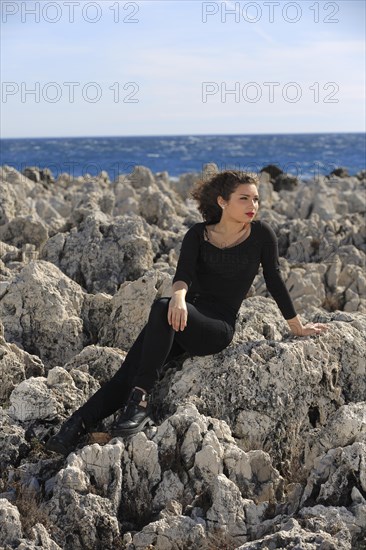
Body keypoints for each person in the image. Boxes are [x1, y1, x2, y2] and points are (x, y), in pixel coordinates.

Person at [46, 170, 328, 455]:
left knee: (161, 309)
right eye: (244, 199)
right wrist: (178, 299)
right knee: (128, 372)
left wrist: (297, 326)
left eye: (255, 199)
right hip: (180, 315)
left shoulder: (262, 235)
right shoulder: (198, 234)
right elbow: (182, 276)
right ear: (222, 201)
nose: (252, 206)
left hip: (216, 326)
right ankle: (76, 425)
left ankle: (140, 403)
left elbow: (275, 281)